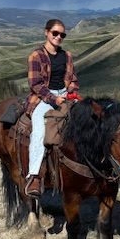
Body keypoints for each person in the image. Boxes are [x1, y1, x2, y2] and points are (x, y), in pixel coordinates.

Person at [24, 19, 79, 198]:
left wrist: (71, 92)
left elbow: (73, 79)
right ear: (46, 32)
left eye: (62, 34)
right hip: (43, 98)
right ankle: (34, 176)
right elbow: (36, 84)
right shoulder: (36, 56)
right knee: (39, 130)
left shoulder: (67, 56)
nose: (58, 37)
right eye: (55, 33)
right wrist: (55, 99)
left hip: (63, 94)